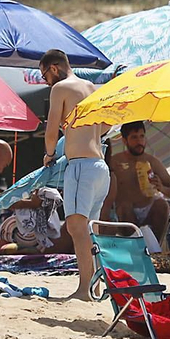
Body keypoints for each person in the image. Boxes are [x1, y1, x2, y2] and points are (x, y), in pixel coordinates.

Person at [40, 49, 107, 301]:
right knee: (91, 229)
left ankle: (84, 289)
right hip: (100, 166)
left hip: (81, 166)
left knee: (76, 227)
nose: (46, 82)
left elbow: (50, 133)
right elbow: (107, 125)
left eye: (44, 76)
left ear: (54, 68)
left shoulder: (60, 88)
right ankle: (95, 287)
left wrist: (49, 155)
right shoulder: (91, 87)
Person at [108, 121, 170, 243]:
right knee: (124, 206)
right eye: (134, 137)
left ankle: (155, 247)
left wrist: (162, 188)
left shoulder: (152, 161)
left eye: (142, 136)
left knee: (162, 205)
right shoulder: (115, 162)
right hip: (125, 213)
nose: (139, 141)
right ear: (124, 140)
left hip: (148, 207)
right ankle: (133, 246)